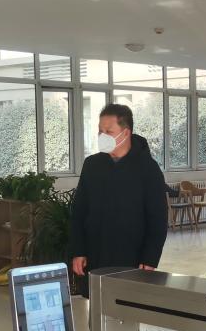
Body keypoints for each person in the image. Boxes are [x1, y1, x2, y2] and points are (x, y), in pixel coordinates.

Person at [69, 104, 168, 297]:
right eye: (100, 131)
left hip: (132, 257)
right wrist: (78, 251)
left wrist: (150, 258)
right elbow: (79, 211)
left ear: (126, 133)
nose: (102, 136)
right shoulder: (92, 165)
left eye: (109, 131)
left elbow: (158, 218)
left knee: (127, 306)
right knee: (97, 306)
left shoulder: (148, 168)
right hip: (96, 255)